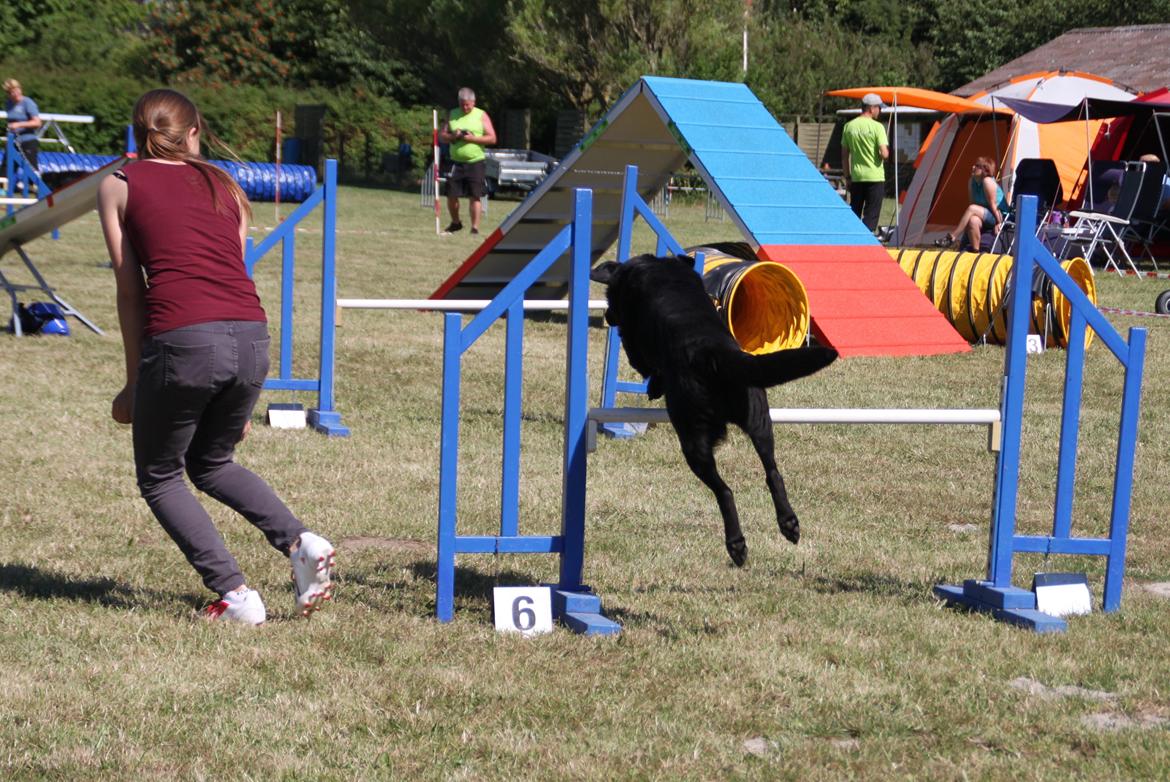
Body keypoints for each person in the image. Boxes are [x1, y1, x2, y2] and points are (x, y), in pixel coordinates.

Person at [97, 89, 334, 626]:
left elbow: (130, 287)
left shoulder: (118, 184)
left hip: (181, 339)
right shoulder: (228, 183)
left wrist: (135, 382)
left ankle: (234, 594)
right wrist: (238, 398)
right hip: (251, 337)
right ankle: (301, 542)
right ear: (195, 132)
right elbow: (235, 270)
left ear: (137, 134)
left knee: (159, 475)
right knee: (212, 461)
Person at [439, 87, 496, 235]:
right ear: (458, 102)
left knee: (475, 195)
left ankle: (475, 228)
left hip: (475, 161)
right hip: (455, 162)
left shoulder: (481, 115)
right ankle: (456, 223)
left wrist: (472, 138)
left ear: (473, 102)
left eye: (468, 105)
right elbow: (442, 136)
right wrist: (453, 136)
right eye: (462, 104)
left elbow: (492, 138)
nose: (465, 107)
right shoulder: (452, 114)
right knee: (451, 195)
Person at [840, 92, 889, 233]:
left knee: (854, 213)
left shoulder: (849, 126)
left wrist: (847, 177)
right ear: (872, 108)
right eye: (879, 108)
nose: (880, 111)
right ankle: (866, 245)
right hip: (875, 177)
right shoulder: (877, 127)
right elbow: (884, 154)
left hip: (856, 177)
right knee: (871, 216)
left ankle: (853, 242)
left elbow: (844, 156)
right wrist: (884, 155)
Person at [935, 156, 1008, 250]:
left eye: (977, 166)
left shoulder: (987, 181)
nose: (973, 167)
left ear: (985, 170)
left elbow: (994, 205)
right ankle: (975, 252)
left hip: (999, 215)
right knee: (973, 220)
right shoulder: (971, 182)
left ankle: (952, 237)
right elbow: (973, 203)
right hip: (985, 215)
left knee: (972, 208)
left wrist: (999, 223)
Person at [3, 78, 42, 175]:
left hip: (28, 140)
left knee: (31, 168)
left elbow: (37, 122)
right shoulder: (8, 104)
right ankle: (3, 188)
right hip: (13, 140)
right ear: (8, 94)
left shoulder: (28, 103)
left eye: (16, 90)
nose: (15, 93)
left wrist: (19, 124)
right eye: (12, 92)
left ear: (20, 89)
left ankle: (33, 186)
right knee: (6, 167)